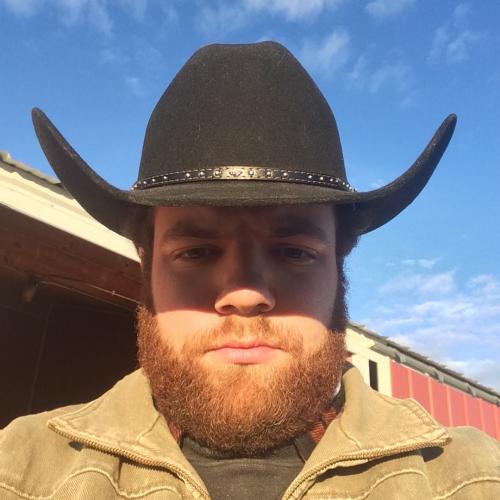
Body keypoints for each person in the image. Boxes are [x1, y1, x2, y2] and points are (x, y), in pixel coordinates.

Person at [1, 42, 498, 500]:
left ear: (341, 261)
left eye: (294, 251)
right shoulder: (20, 472)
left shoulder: (470, 477)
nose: (245, 293)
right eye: (196, 251)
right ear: (145, 260)